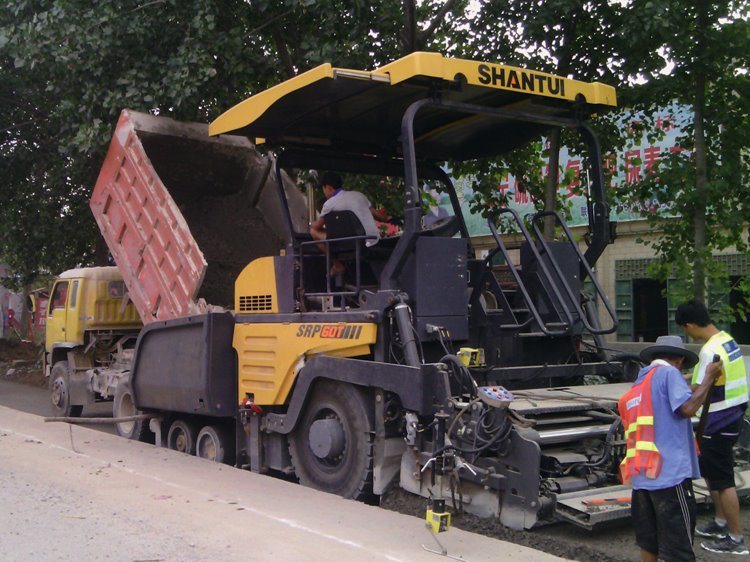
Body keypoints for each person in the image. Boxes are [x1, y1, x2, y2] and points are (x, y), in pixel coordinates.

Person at [619, 335, 720, 562]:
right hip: (670, 476)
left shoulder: (640, 383)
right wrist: (708, 379)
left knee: (649, 544)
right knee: (679, 550)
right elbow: (687, 408)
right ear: (679, 360)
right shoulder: (669, 374)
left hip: (643, 478)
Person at [676, 299, 749, 555]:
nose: (688, 335)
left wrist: (670, 384)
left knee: (723, 479)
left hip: (718, 420)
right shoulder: (725, 339)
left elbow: (698, 389)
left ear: (690, 325)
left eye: (686, 330)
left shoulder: (708, 350)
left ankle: (736, 538)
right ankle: (720, 523)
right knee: (713, 473)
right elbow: (707, 375)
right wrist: (685, 376)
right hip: (733, 414)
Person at [309, 172, 388, 248]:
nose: (323, 192)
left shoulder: (329, 204)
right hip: (373, 240)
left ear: (329, 187)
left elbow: (317, 226)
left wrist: (310, 223)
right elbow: (379, 217)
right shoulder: (359, 195)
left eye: (323, 188)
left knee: (313, 231)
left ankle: (335, 262)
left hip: (350, 244)